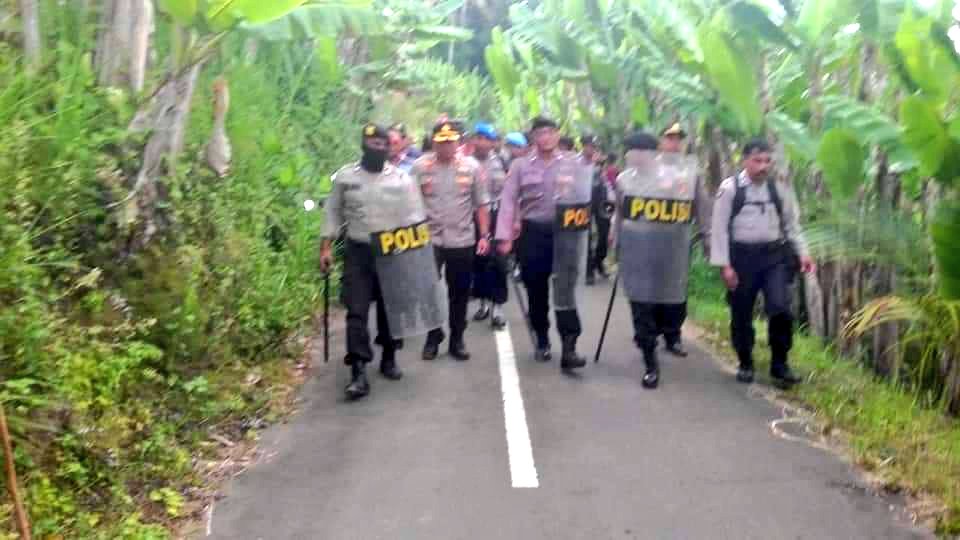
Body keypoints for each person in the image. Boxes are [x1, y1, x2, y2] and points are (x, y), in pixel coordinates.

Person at [320, 124, 447, 400]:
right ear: (363, 145)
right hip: (358, 252)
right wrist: (326, 248)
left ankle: (389, 357)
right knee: (356, 311)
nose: (377, 147)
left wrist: (418, 255)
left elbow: (415, 217)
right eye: (372, 143)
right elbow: (332, 212)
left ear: (388, 147)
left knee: (391, 310)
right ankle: (358, 370)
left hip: (393, 250)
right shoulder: (345, 177)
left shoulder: (402, 179)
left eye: (381, 143)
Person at [710, 138, 815, 387]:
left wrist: (804, 253)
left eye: (767, 161)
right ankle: (745, 361)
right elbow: (719, 229)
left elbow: (791, 226)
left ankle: (780, 364)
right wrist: (725, 266)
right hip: (742, 259)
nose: (763, 166)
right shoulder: (731, 189)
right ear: (745, 160)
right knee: (742, 311)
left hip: (773, 258)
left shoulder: (778, 190)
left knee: (780, 308)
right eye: (757, 161)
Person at [613, 131, 711, 389]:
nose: (632, 157)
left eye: (638, 152)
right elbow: (620, 215)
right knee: (641, 307)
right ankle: (650, 363)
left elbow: (700, 207)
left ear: (651, 154)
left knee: (671, 307)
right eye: (629, 152)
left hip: (670, 253)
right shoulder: (624, 180)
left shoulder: (676, 178)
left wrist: (709, 239)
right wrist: (617, 244)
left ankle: (666, 333)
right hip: (637, 253)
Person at [496, 116, 589, 371]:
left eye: (550, 132)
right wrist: (504, 236)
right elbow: (508, 200)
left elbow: (585, 197)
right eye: (540, 133)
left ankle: (569, 347)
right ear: (534, 137)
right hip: (533, 234)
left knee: (566, 289)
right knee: (536, 290)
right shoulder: (520, 166)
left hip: (566, 233)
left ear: (558, 135)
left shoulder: (575, 163)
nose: (546, 137)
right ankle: (542, 338)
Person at [412, 121, 492, 361]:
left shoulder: (472, 168)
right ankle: (433, 335)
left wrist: (484, 235)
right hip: (429, 240)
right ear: (434, 142)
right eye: (441, 141)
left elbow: (481, 204)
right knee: (428, 290)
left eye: (450, 141)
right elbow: (409, 205)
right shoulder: (419, 168)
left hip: (462, 239)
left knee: (459, 292)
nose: (446, 145)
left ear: (458, 142)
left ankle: (457, 338)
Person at [655, 122, 693, 356]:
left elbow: (698, 201)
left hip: (679, 237)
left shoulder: (688, 169)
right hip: (651, 237)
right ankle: (651, 329)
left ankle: (673, 335)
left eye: (678, 138)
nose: (674, 142)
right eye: (670, 138)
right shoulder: (650, 168)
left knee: (677, 288)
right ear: (661, 141)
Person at [470, 123, 510, 330]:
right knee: (479, 262)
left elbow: (508, 192)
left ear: (493, 142)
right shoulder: (466, 163)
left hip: (497, 214)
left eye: (488, 139)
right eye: (480, 138)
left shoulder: (501, 161)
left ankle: (498, 308)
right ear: (474, 140)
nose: (483, 142)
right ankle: (483, 303)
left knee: (499, 262)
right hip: (473, 218)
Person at [581, 134, 612, 285]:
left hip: (601, 200)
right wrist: (592, 165)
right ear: (584, 146)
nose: (593, 149)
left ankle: (598, 262)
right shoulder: (578, 162)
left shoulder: (601, 161)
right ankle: (589, 271)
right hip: (584, 202)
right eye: (590, 146)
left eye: (595, 146)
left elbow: (606, 182)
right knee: (586, 237)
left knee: (604, 236)